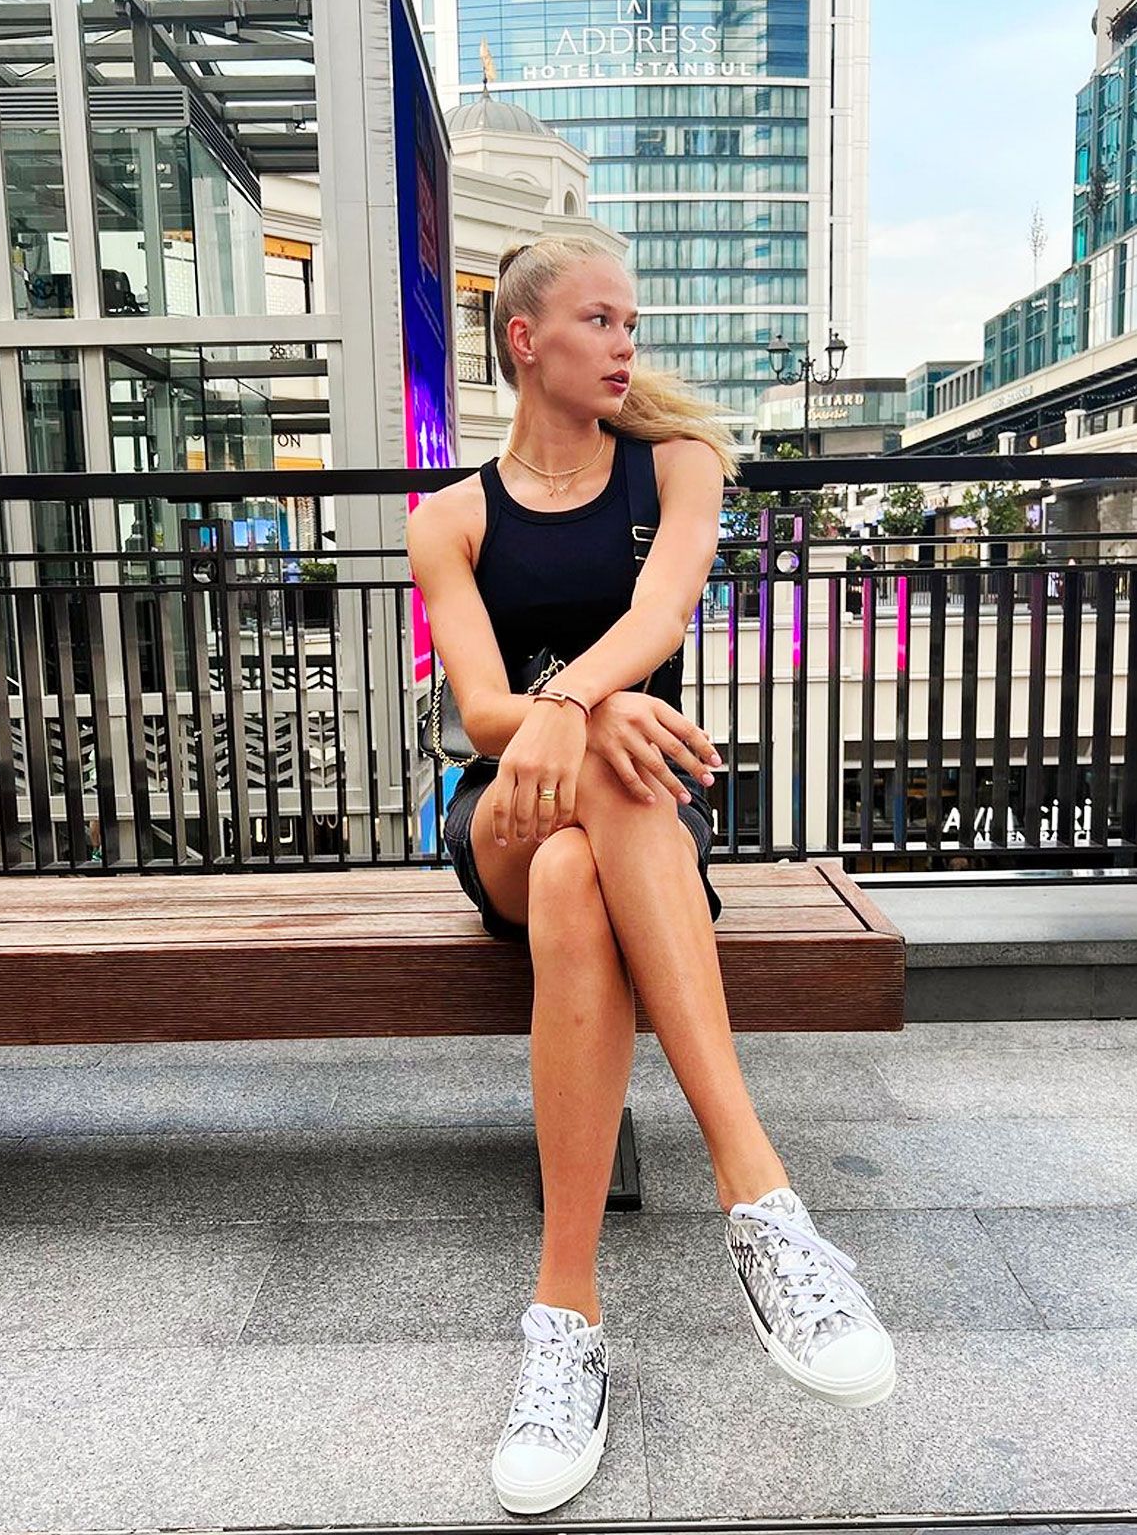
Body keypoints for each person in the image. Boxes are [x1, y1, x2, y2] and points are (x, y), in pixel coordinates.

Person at [406, 237, 895, 1518]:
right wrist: (583, 715)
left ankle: (563, 1321)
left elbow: (659, 618)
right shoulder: (450, 518)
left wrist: (577, 703)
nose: (626, 343)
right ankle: (759, 1195)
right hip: (503, 818)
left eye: (631, 320)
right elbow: (479, 712)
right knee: (592, 793)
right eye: (598, 319)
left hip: (630, 827)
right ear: (525, 340)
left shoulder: (676, 466)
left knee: (593, 849)